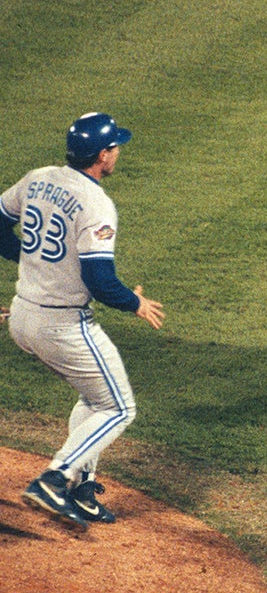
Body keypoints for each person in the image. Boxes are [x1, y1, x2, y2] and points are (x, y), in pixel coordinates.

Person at [1, 112, 165, 529]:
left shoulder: (38, 177)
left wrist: (28, 257)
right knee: (119, 408)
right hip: (63, 326)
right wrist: (135, 304)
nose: (118, 153)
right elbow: (99, 279)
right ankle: (56, 479)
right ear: (102, 155)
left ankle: (82, 487)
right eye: (115, 148)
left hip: (22, 316)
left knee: (94, 398)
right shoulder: (96, 203)